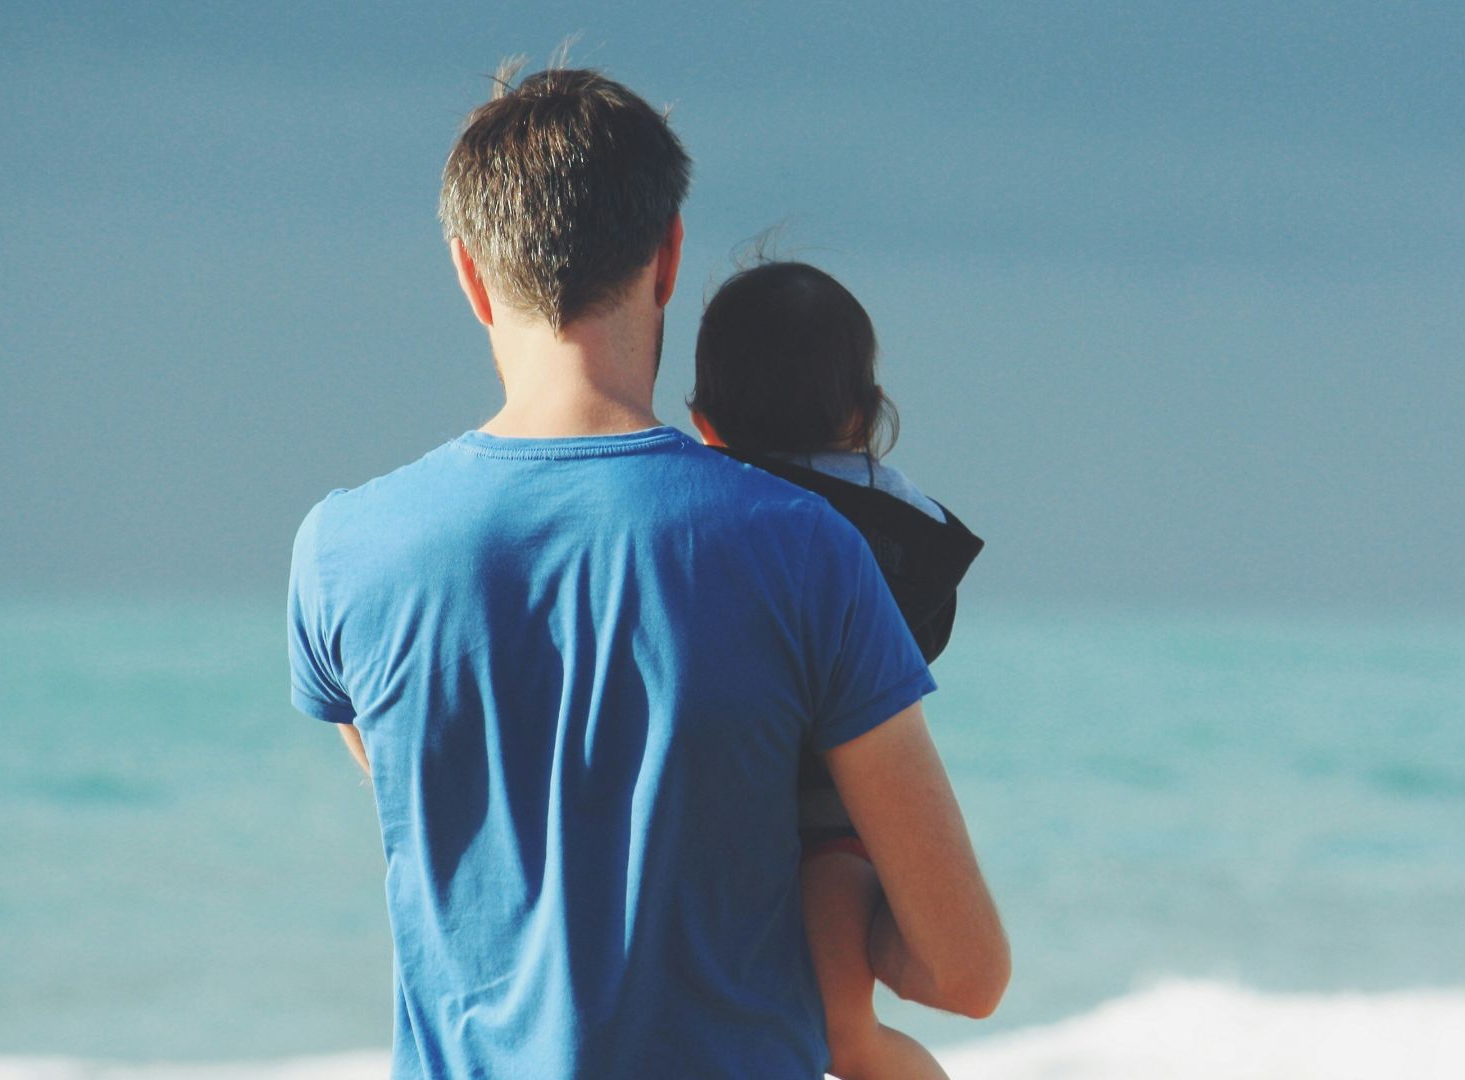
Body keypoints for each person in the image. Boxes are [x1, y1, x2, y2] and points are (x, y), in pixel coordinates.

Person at [284, 62, 1008, 1079]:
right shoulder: (804, 548)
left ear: (470, 274)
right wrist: (846, 922)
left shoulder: (339, 555)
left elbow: (452, 827)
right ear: (668, 259)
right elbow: (967, 972)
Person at [688, 260, 984, 1079]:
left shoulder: (707, 510)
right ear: (864, 411)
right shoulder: (902, 519)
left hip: (751, 803)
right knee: (846, 1041)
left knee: (827, 1036)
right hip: (846, 814)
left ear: (703, 420)